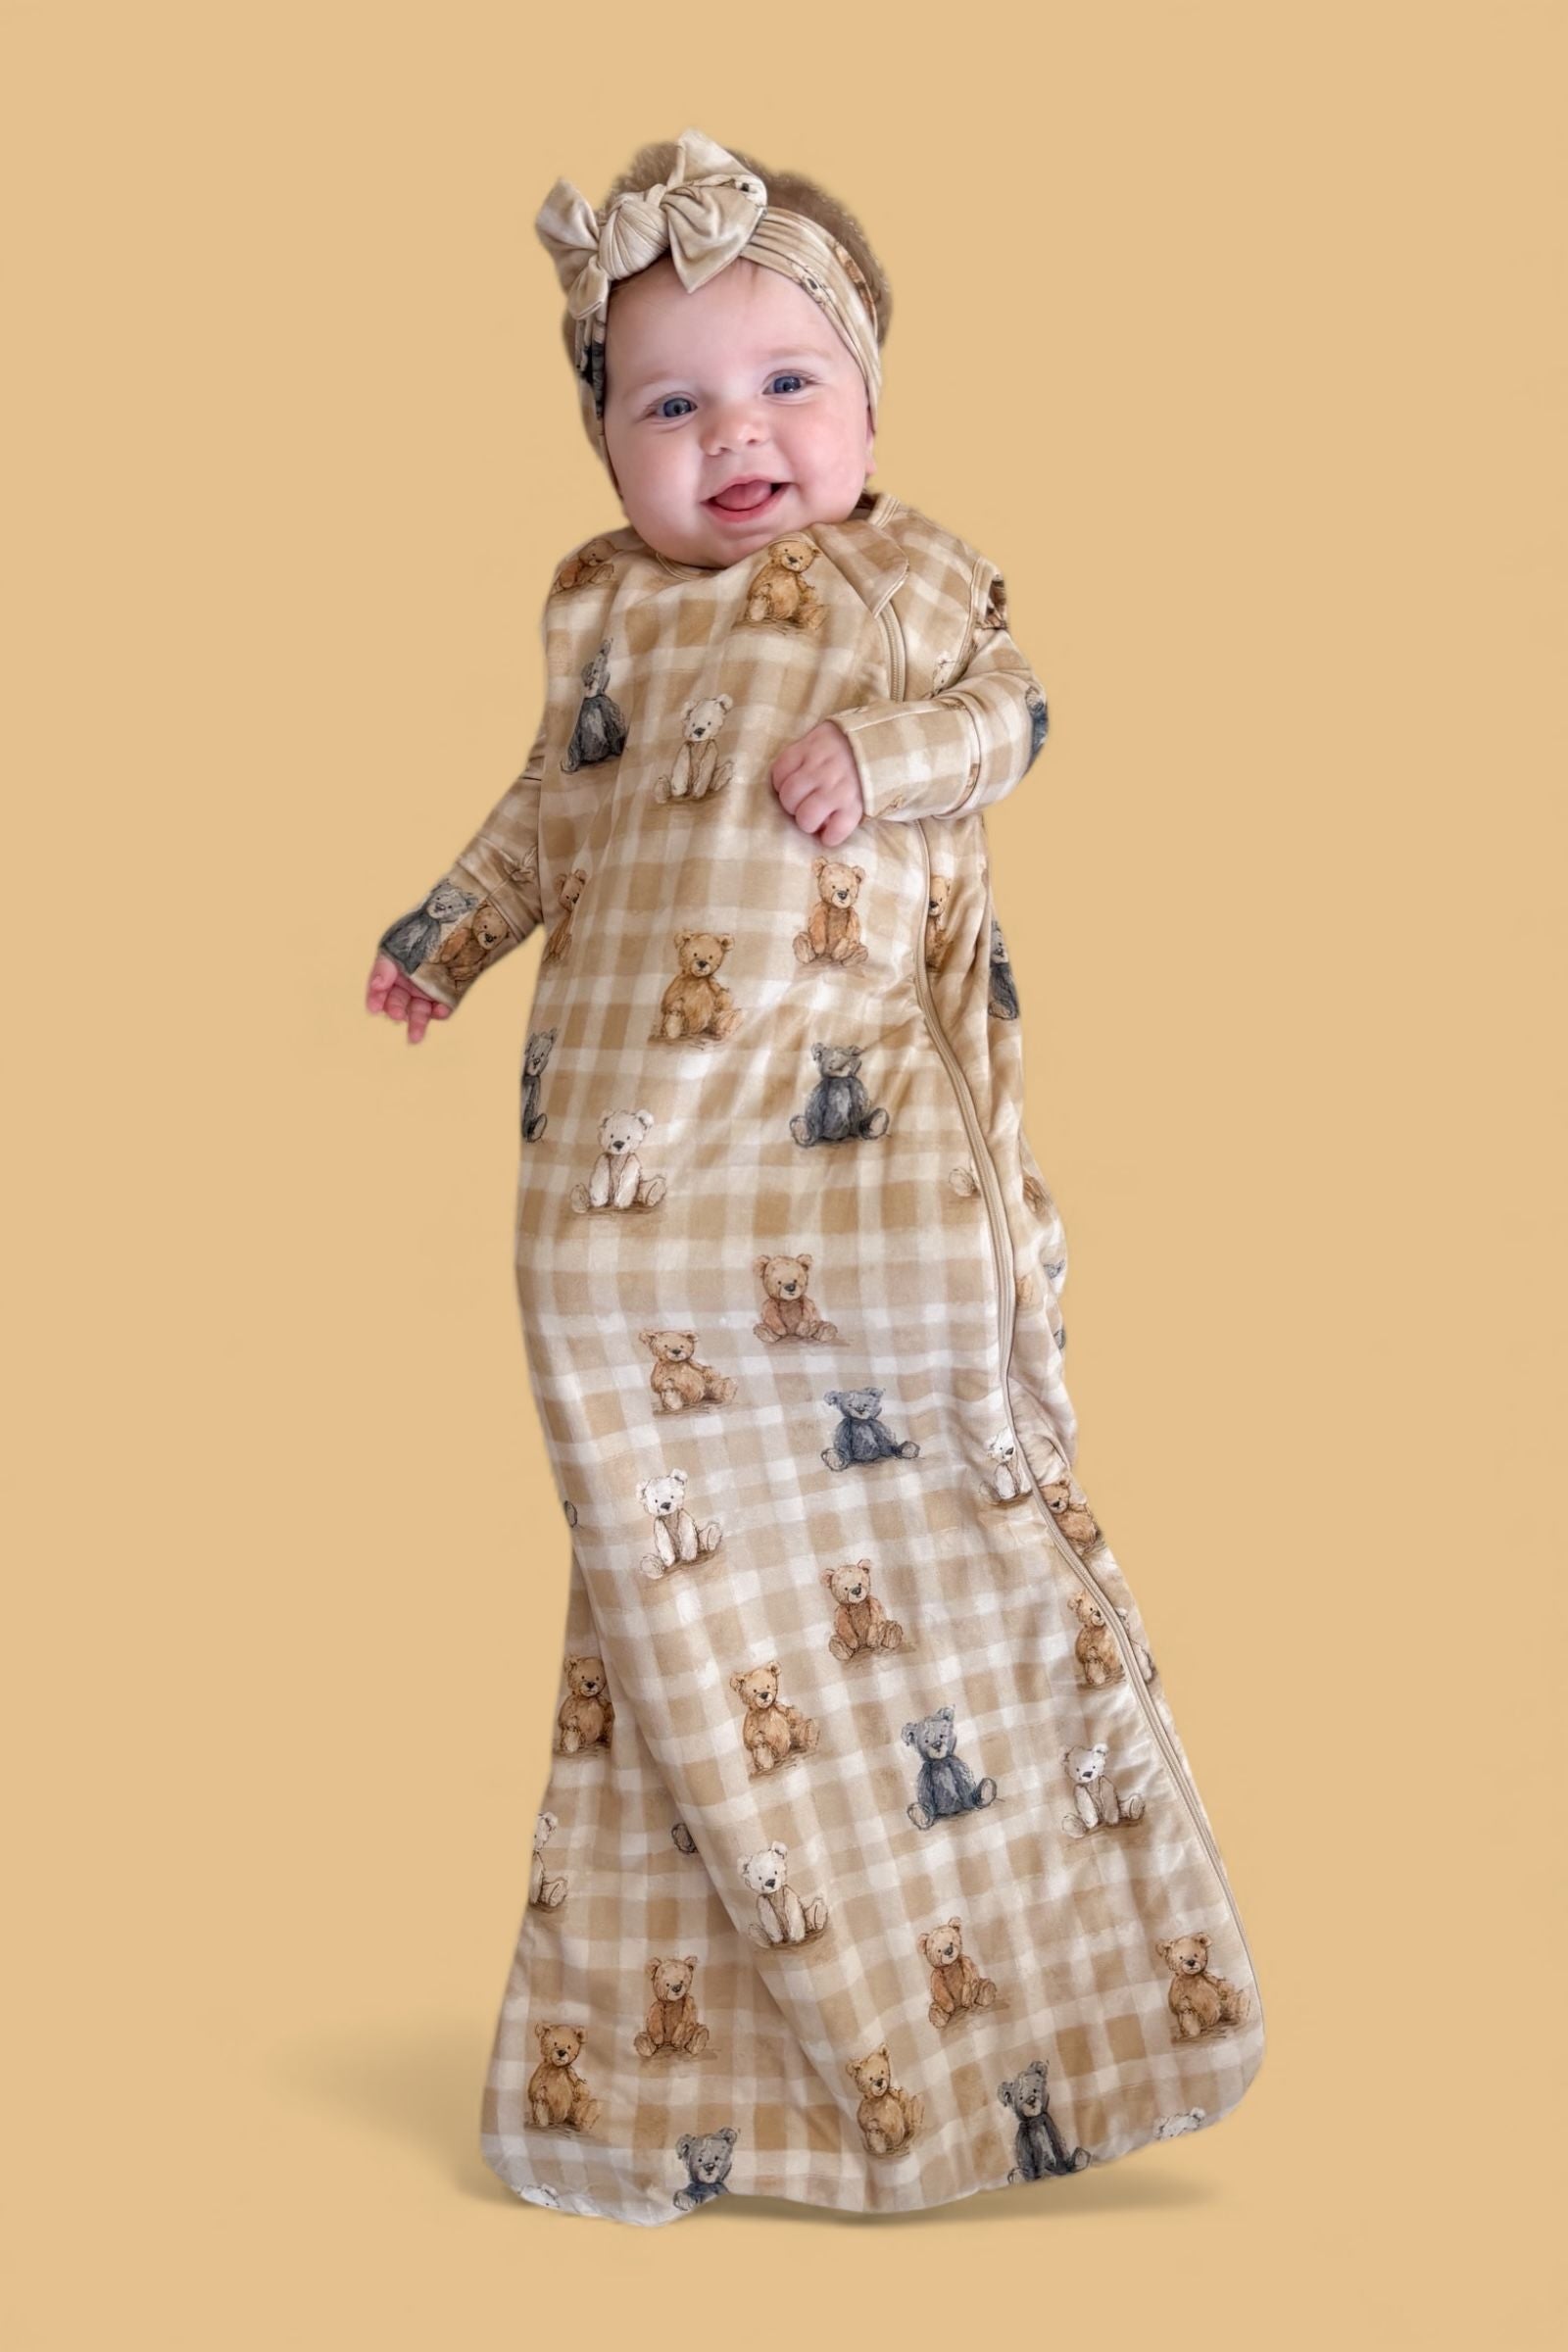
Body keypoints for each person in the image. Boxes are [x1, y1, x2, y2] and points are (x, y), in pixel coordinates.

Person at [365, 126, 1263, 2225]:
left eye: (785, 382)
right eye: (667, 404)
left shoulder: (913, 581)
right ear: (606, 444)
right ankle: (700, 2064)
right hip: (619, 1209)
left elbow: (1016, 716)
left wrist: (890, 756)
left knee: (922, 1514)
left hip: (852, 1179)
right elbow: (543, 819)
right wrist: (441, 938)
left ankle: (1066, 1993)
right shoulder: (601, 617)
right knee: (678, 1595)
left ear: (869, 400)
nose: (734, 436)